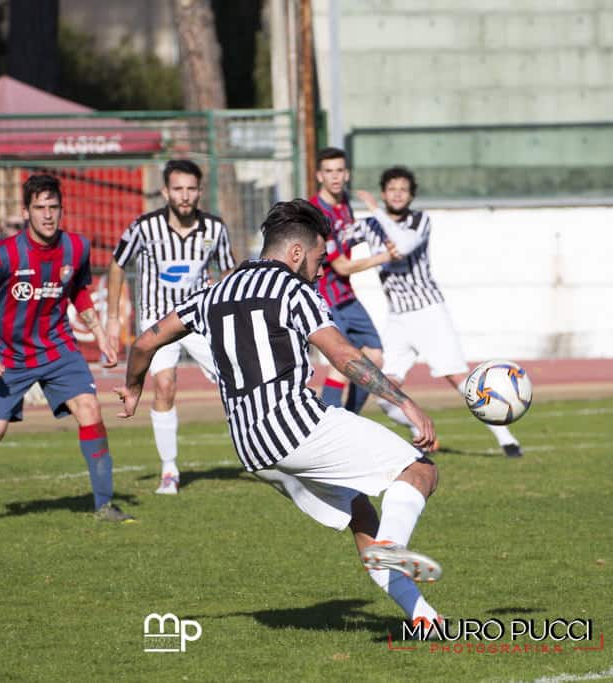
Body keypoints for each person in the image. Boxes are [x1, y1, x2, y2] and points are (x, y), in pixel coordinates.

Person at [115, 199, 446, 631]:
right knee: (420, 471)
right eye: (318, 259)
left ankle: (423, 618)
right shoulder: (294, 290)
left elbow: (144, 343)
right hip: (295, 426)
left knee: (361, 513)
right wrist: (404, 402)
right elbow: (343, 354)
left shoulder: (215, 292)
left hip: (252, 449)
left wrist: (134, 387)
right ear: (295, 253)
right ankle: (391, 548)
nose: (321, 269)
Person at [0, 174, 133, 523]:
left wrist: (100, 334)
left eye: (53, 207)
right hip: (8, 356)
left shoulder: (77, 247)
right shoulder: (3, 254)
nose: (48, 215)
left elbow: (78, 290)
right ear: (26, 212)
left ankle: (105, 505)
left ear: (61, 209)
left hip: (58, 349)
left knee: (90, 409)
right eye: (40, 208)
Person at [350, 166, 522, 457]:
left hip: (429, 311)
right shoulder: (368, 225)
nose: (397, 194)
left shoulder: (419, 220)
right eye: (392, 189)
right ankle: (421, 432)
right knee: (385, 389)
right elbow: (336, 239)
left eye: (403, 189)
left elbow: (402, 246)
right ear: (384, 192)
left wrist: (374, 211)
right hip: (397, 317)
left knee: (457, 377)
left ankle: (507, 439)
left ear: (411, 195)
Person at [105, 159, 235, 494]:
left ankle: (265, 450)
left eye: (191, 188)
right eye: (178, 189)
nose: (185, 195)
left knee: (238, 381)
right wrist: (113, 316)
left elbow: (230, 273)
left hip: (200, 320)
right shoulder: (144, 228)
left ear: (200, 191)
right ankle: (169, 470)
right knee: (164, 384)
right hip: (156, 320)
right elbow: (118, 264)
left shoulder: (215, 229)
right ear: (165, 191)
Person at [308, 147, 398, 415]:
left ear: (346, 174)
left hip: (346, 296)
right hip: (326, 298)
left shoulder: (344, 203)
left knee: (374, 357)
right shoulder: (317, 212)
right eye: (328, 171)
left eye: (339, 171)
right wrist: (384, 257)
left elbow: (349, 237)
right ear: (319, 175)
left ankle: (348, 419)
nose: (334, 177)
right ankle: (331, 422)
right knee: (344, 365)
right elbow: (341, 265)